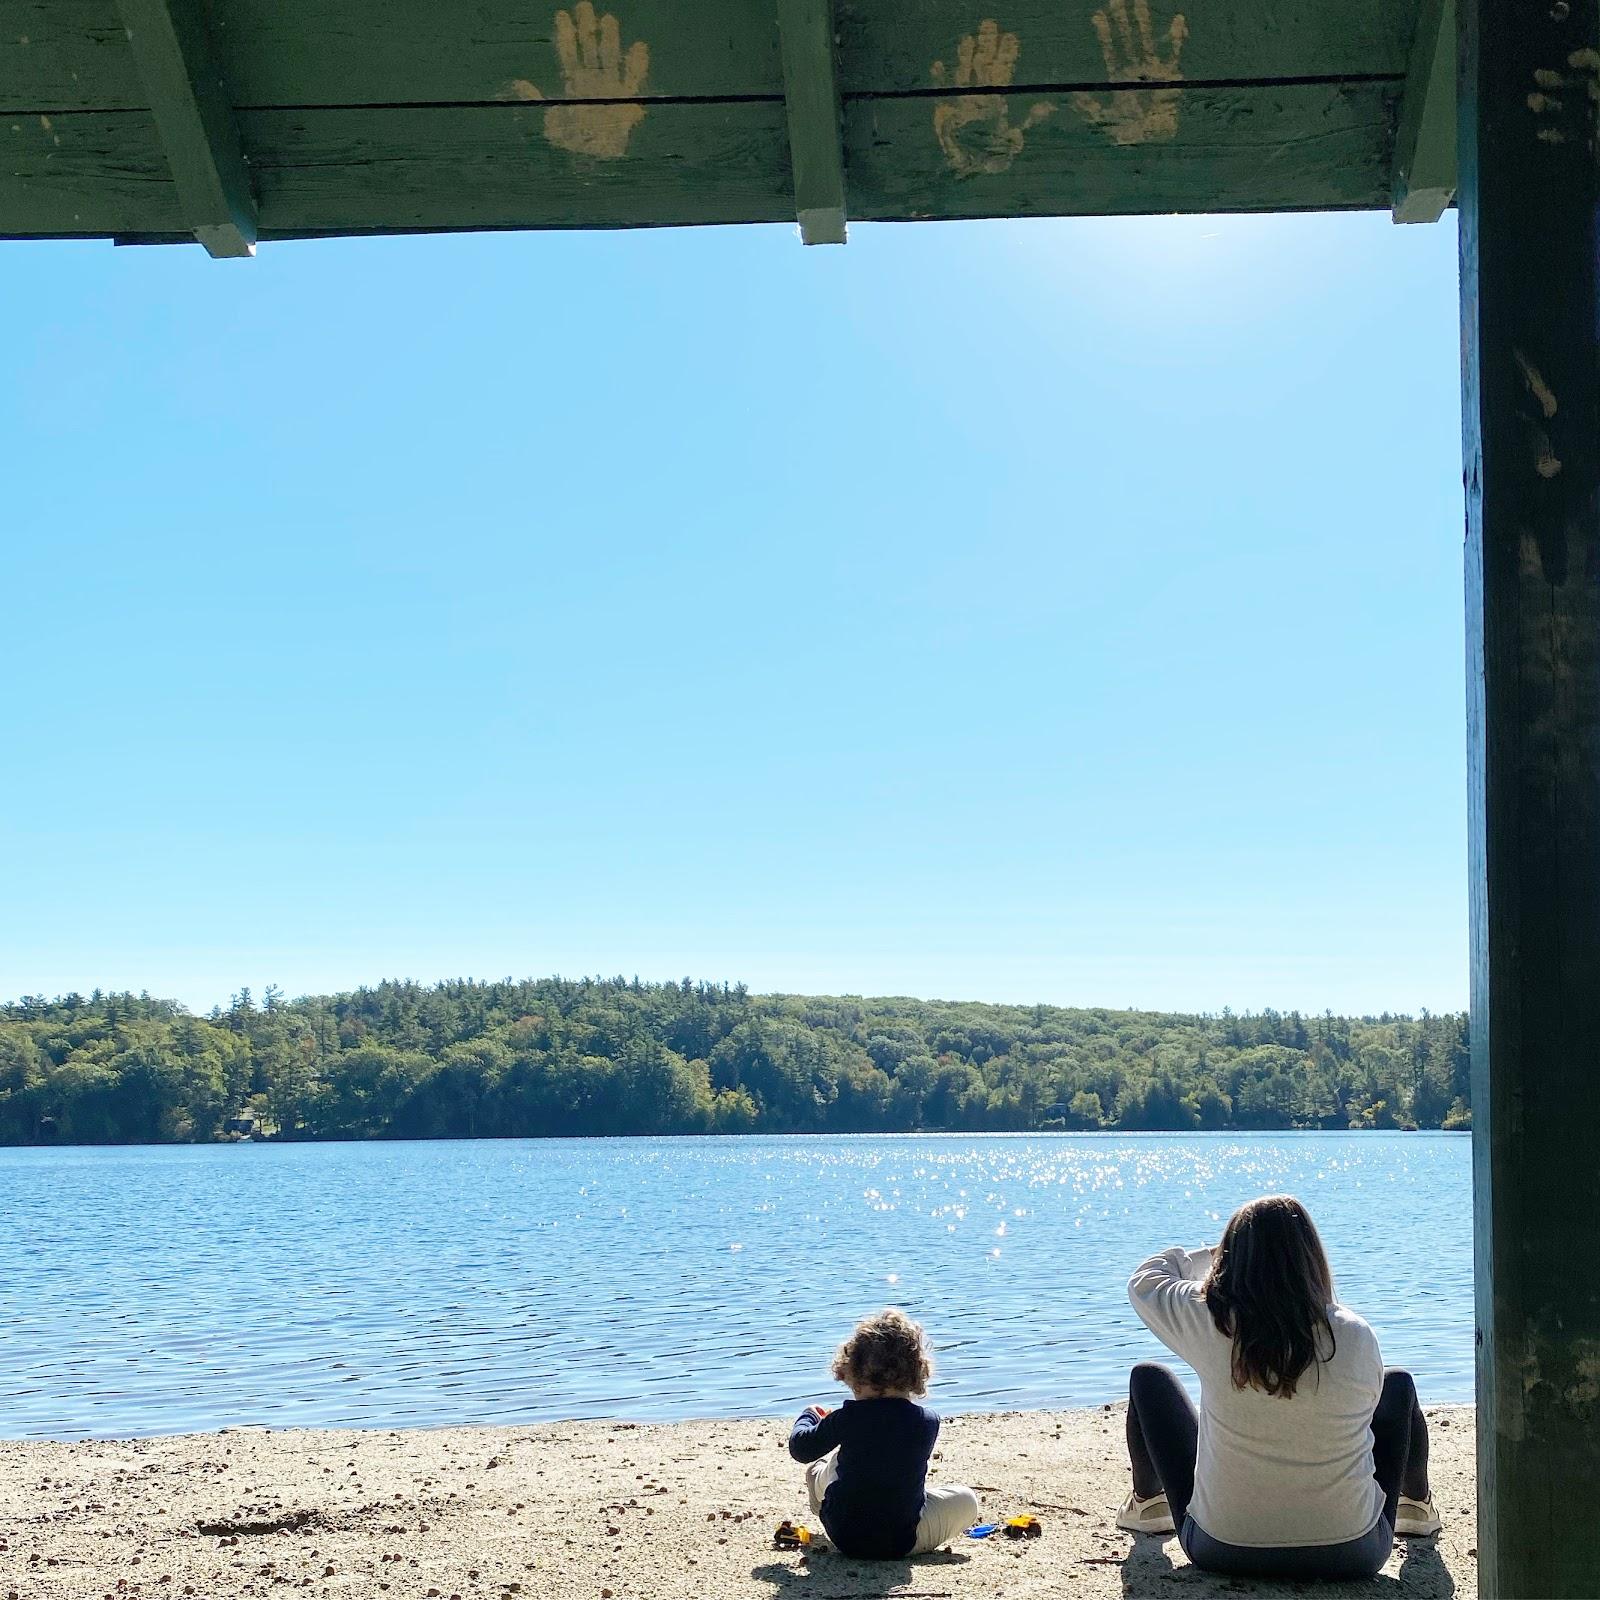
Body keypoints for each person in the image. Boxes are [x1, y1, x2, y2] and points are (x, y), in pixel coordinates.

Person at [1118, 1194, 1441, 1581]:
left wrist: (1216, 1251)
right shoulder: (1355, 1333)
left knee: (1149, 1378)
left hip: (1222, 1550)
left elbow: (1145, 1279)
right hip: (1353, 1552)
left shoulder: (1209, 1319)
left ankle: (1148, 1505)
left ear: (1231, 1259)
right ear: (1311, 1257)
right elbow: (1368, 1413)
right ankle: (1415, 1507)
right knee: (1398, 1384)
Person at [788, 1306, 979, 1558]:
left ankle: (818, 1491)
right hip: (901, 1541)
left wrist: (809, 1415)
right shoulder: (928, 1421)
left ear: (851, 1372)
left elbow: (801, 1449)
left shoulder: (849, 1417)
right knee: (967, 1500)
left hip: (844, 1535)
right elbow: (889, 1453)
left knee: (834, 1462)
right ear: (916, 1374)